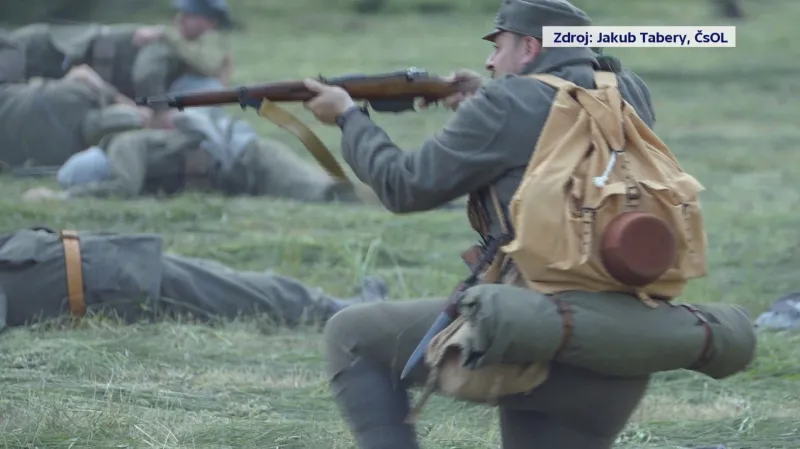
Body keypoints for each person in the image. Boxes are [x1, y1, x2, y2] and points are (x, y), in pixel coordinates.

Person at [299, 0, 661, 448]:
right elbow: (576, 86)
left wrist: (348, 118)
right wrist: (498, 90)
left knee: (350, 337)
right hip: (626, 347)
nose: (489, 61)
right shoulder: (630, 92)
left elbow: (403, 186)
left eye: (498, 46)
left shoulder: (507, 103)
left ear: (530, 47)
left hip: (536, 336)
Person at [0, 227, 387, 332]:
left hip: (108, 265)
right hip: (111, 282)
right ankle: (343, 313)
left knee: (228, 281)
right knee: (241, 291)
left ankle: (340, 309)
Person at [22, 104, 373, 204]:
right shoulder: (139, 152)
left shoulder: (123, 145)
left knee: (330, 193)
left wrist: (64, 198)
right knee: (326, 190)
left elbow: (122, 187)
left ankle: (392, 192)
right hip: (245, 173)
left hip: (254, 161)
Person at [7, 0, 233, 128]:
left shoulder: (180, 46)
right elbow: (146, 75)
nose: (181, 19)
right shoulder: (164, 44)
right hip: (52, 50)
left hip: (62, 59)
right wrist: (158, 113)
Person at [0, 36, 148, 167]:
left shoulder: (79, 96)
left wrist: (127, 103)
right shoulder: (66, 156)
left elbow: (82, 74)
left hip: (20, 97)